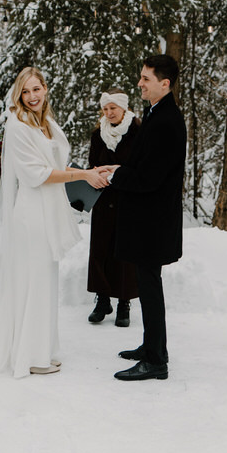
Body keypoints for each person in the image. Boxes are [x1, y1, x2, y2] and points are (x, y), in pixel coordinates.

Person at [0, 66, 108, 377]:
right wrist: (83, 175)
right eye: (26, 91)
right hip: (31, 214)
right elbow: (37, 175)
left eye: (37, 89)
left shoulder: (45, 122)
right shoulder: (18, 126)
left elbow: (57, 163)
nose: (32, 96)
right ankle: (29, 357)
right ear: (19, 96)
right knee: (32, 282)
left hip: (49, 210)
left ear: (45, 89)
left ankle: (43, 348)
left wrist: (91, 173)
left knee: (45, 280)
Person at [100, 54, 186, 382]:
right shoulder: (156, 113)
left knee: (149, 287)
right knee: (147, 285)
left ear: (165, 84)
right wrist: (120, 169)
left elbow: (149, 179)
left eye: (146, 79)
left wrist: (115, 177)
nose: (140, 84)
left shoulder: (167, 121)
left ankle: (156, 360)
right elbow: (144, 165)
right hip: (148, 220)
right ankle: (151, 347)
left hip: (153, 222)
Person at [86, 88, 141, 327]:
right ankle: (102, 300)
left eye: (113, 108)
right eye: (105, 109)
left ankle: (124, 303)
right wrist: (97, 173)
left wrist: (118, 170)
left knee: (125, 251)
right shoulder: (98, 134)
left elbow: (141, 165)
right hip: (103, 198)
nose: (109, 113)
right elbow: (91, 164)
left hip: (128, 200)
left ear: (124, 108)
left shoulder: (138, 131)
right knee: (100, 249)